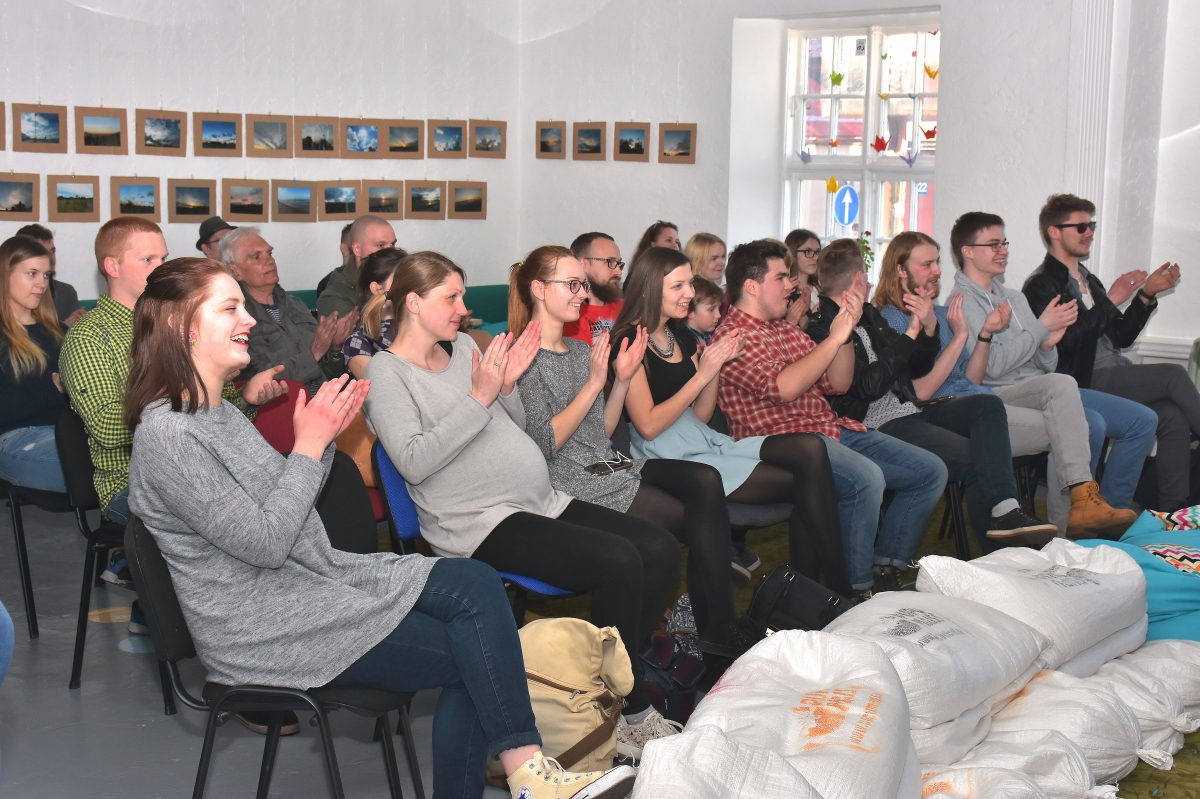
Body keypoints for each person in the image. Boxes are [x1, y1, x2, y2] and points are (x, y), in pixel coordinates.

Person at [126, 258, 635, 799]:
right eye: (229, 308)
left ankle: (527, 772)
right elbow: (268, 543)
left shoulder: (218, 415)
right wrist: (309, 446)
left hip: (306, 585)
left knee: (475, 579)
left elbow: (285, 507)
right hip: (264, 629)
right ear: (182, 326)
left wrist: (317, 442)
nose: (247, 318)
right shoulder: (168, 436)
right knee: (476, 653)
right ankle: (529, 774)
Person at [363, 251, 683, 758]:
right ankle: (624, 709)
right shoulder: (386, 373)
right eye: (452, 297)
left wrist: (506, 388)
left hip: (538, 501)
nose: (464, 308)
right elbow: (414, 462)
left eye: (462, 296)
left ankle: (603, 680)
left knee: (660, 549)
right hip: (477, 520)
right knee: (619, 561)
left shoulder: (464, 347)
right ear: (414, 304)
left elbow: (512, 424)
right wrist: (480, 397)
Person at [59, 217, 286, 703]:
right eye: (148, 259)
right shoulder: (91, 338)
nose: (160, 265)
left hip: (200, 462)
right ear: (112, 266)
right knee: (239, 527)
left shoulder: (187, 323)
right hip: (129, 483)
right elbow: (108, 427)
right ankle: (242, 671)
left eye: (163, 256)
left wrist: (245, 397)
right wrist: (177, 402)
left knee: (277, 503)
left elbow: (216, 412)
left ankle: (285, 639)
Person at [509, 245, 759, 663]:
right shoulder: (523, 359)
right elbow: (545, 444)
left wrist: (621, 381)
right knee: (694, 525)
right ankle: (697, 631)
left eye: (583, 285)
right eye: (572, 285)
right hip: (569, 476)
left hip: (606, 463)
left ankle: (712, 627)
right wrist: (596, 383)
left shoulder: (579, 351)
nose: (583, 294)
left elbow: (601, 432)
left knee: (703, 481)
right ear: (538, 290)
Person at [610, 246, 853, 599]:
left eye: (690, 284)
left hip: (702, 438)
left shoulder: (678, 335)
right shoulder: (629, 341)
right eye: (678, 286)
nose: (690, 293)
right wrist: (703, 374)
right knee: (811, 483)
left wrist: (715, 368)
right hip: (666, 453)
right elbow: (647, 426)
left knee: (811, 448)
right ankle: (831, 594)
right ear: (649, 289)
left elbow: (701, 414)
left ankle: (818, 594)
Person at [712, 239, 947, 595]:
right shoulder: (733, 337)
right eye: (780, 277)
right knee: (867, 479)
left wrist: (845, 333)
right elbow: (784, 388)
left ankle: (887, 565)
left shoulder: (785, 329)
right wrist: (833, 340)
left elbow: (838, 383)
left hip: (830, 430)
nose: (791, 285)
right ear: (752, 286)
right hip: (783, 445)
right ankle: (855, 591)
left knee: (930, 472)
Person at [807, 235, 1056, 550]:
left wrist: (927, 329)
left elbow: (914, 367)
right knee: (978, 459)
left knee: (987, 406)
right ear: (859, 279)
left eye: (937, 262)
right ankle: (999, 549)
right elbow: (871, 387)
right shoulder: (829, 325)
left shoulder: (869, 314)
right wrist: (916, 330)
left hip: (910, 407)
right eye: (928, 264)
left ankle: (1006, 511)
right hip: (879, 420)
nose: (937, 270)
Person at [946, 211, 1144, 538]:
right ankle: (1076, 515)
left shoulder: (1014, 297)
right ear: (967, 251)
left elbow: (1045, 365)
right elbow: (991, 368)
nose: (1003, 251)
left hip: (1032, 390)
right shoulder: (962, 302)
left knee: (1089, 420)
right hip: (993, 396)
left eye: (1004, 243)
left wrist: (1048, 345)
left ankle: (1072, 526)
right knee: (1068, 399)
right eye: (993, 244)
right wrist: (1040, 329)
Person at [1023, 193, 1200, 511]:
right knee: (1173, 374)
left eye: (1091, 225)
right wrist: (1112, 300)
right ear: (1054, 232)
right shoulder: (1041, 284)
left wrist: (1145, 296)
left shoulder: (1088, 279)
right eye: (1080, 227)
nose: (1089, 232)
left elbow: (1120, 337)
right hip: (1081, 379)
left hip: (1113, 370)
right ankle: (1110, 510)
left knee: (1171, 416)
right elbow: (1064, 344)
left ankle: (1171, 512)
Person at [219, 226, 357, 393]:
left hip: (327, 399)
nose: (270, 260)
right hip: (285, 406)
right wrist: (313, 354)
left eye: (269, 253)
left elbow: (329, 373)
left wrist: (334, 349)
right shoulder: (235, 318)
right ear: (235, 271)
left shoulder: (295, 305)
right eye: (256, 257)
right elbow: (254, 385)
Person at [0, 235, 68, 493]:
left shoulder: (59, 331)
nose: (42, 283)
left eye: (46, 275)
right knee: (100, 465)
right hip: (15, 438)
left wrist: (72, 388)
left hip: (67, 431)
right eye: (32, 273)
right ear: (5, 274)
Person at [342, 247, 409, 378]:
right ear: (377, 289)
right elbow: (383, 385)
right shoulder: (357, 343)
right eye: (401, 280)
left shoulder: (422, 326)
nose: (411, 287)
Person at [317, 215, 398, 318]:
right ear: (357, 248)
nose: (391, 252)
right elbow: (368, 327)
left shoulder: (401, 275)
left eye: (392, 244)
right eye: (381, 245)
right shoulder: (334, 296)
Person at [16, 224, 84, 327]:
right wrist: (62, 329)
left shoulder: (66, 293)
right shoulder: (17, 294)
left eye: (52, 251)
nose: (51, 257)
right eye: (42, 251)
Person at [564, 232, 624, 345]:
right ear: (584, 264)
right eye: (610, 262)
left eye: (619, 263)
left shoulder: (625, 308)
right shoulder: (570, 314)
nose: (619, 271)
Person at [784, 228, 822, 317]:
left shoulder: (820, 287)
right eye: (807, 251)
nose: (815, 258)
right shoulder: (785, 291)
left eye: (817, 252)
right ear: (792, 253)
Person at [684, 277, 723, 347]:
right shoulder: (685, 341)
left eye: (719, 309)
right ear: (690, 312)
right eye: (711, 310)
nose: (718, 315)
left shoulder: (709, 335)